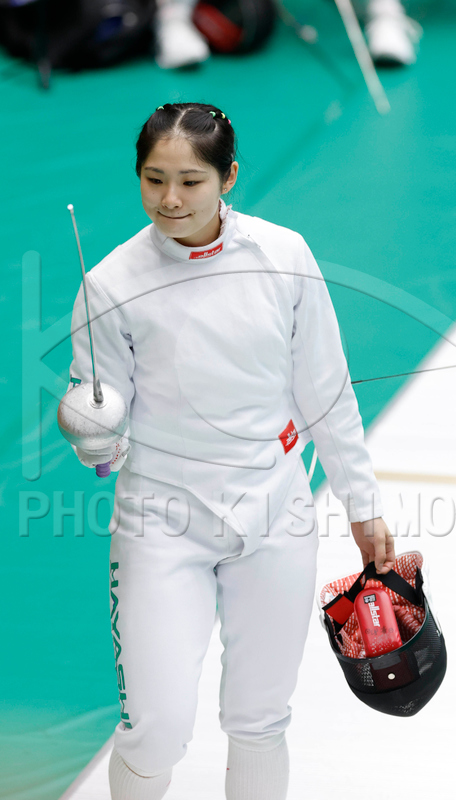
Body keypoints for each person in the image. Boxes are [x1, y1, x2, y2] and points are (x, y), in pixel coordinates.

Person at [68, 102, 395, 800]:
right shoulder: (110, 284)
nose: (170, 198)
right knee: (156, 729)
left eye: (190, 181)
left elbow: (326, 389)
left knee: (259, 720)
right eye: (154, 179)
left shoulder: (284, 255)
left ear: (229, 177)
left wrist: (362, 507)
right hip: (161, 523)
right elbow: (105, 439)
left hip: (275, 512)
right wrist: (93, 433)